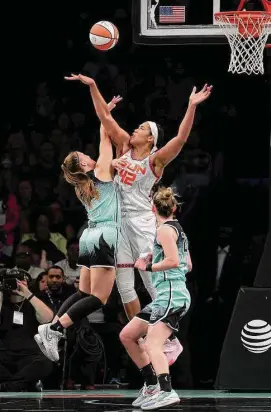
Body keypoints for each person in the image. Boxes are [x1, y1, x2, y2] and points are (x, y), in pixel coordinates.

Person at [65, 74, 211, 364]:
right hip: (118, 225)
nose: (135, 128)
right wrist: (93, 85)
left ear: (151, 139)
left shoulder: (155, 160)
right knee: (125, 286)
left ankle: (168, 337)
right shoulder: (123, 147)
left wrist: (192, 105)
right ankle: (144, 338)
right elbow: (104, 117)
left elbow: (181, 138)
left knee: (154, 282)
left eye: (142, 127)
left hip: (143, 222)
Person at [35, 98, 121, 363]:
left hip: (89, 236)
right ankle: (56, 329)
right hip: (105, 235)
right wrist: (104, 113)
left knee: (83, 293)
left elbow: (103, 138)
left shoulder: (81, 184)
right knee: (99, 298)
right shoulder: (102, 172)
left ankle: (51, 327)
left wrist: (106, 112)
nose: (89, 156)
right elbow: (106, 138)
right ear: (83, 165)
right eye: (85, 157)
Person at [119, 187, 192, 410]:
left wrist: (149, 265)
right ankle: (151, 385)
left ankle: (166, 391)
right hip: (166, 295)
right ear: (174, 208)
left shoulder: (164, 230)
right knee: (128, 335)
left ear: (153, 208)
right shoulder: (177, 230)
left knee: (152, 343)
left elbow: (173, 261)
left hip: (172, 295)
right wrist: (156, 256)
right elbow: (187, 265)